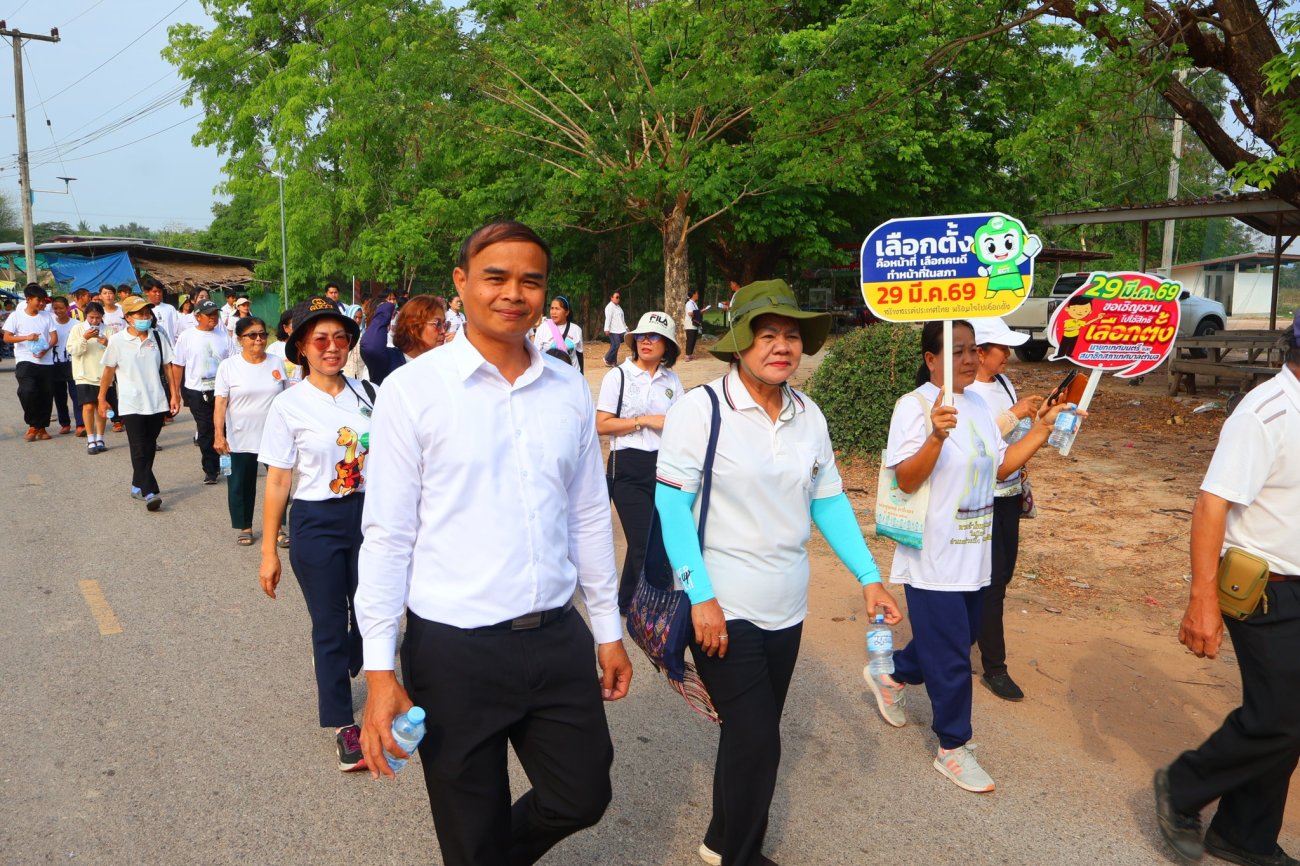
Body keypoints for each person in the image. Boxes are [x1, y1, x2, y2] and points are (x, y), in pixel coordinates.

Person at [355, 222, 632, 865]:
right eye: (495, 277)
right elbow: (388, 535)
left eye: (531, 281)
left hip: (555, 636)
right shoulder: (413, 390)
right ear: (461, 283)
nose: (514, 293)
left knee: (581, 794)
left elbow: (589, 514)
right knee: (470, 831)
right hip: (455, 651)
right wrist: (379, 671)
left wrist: (608, 630)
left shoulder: (567, 385)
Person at [655, 279, 900, 866]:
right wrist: (700, 596)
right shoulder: (700, 410)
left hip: (787, 606)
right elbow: (671, 508)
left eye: (791, 335)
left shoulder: (808, 415)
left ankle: (720, 840)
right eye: (767, 334)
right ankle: (741, 856)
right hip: (723, 607)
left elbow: (828, 501)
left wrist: (869, 576)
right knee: (759, 740)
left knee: (747, 734)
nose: (782, 346)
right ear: (740, 342)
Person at [870, 319, 1072, 794]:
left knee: (956, 642)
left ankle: (892, 674)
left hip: (975, 551)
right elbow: (905, 481)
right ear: (931, 359)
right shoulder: (914, 406)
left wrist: (1042, 431)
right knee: (953, 659)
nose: (968, 359)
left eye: (973, 350)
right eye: (956, 350)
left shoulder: (979, 404)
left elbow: (1000, 467)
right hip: (933, 555)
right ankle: (953, 746)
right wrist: (935, 437)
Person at [1154, 312, 1300, 866]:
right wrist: (1202, 599)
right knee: (1277, 717)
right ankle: (1182, 786)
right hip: (1265, 588)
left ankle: (1243, 835)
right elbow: (1212, 503)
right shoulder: (1266, 413)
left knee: (1289, 720)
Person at [257, 296, 374, 772]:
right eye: (320, 339)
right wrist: (269, 551)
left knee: (371, 614)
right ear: (302, 347)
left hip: (370, 518)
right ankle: (344, 724)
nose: (332, 347)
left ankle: (352, 654)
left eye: (340, 338)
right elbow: (278, 481)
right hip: (315, 521)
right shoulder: (288, 405)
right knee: (329, 626)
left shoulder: (370, 393)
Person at [964, 317, 1045, 702]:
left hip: (1009, 493)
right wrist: (1014, 413)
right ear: (980, 353)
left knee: (1001, 575)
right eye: (1001, 348)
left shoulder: (1003, 384)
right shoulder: (964, 392)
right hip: (981, 498)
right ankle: (994, 667)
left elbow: (1013, 442)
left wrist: (1042, 422)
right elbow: (971, 440)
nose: (1008, 355)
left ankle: (965, 635)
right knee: (992, 582)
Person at [596, 310, 683, 613]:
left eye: (654, 336)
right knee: (642, 541)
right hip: (626, 467)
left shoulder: (671, 380)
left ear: (667, 345)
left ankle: (628, 601)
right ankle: (646, 605)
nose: (646, 341)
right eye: (642, 336)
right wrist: (643, 421)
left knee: (656, 539)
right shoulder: (617, 376)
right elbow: (602, 424)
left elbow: (681, 423)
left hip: (663, 465)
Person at [98, 296, 178, 511]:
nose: (145, 317)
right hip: (131, 403)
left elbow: (168, 367)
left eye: (147, 313)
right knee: (139, 447)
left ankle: (137, 484)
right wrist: (102, 398)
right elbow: (108, 371)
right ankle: (149, 491)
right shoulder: (117, 341)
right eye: (140, 314)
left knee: (149, 446)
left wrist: (174, 395)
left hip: (156, 401)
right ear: (128, 317)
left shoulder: (157, 337)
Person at [214, 316, 287, 546]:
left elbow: (286, 398)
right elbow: (221, 402)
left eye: (262, 334)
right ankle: (245, 526)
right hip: (240, 436)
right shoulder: (228, 366)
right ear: (240, 339)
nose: (258, 339)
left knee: (279, 483)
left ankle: (278, 527)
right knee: (241, 484)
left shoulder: (276, 362)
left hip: (273, 436)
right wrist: (218, 434)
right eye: (252, 335)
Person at [171, 299, 235, 484]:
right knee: (205, 429)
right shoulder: (187, 336)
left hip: (221, 391)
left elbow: (233, 363)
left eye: (215, 314)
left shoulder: (224, 336)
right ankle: (210, 469)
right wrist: (175, 393)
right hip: (197, 391)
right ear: (197, 316)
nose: (213, 317)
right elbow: (178, 365)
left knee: (225, 427)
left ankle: (226, 464)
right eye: (209, 315)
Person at [3, 284, 58, 441]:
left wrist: (45, 350)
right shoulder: (16, 316)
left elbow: (54, 337)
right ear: (28, 299)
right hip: (25, 360)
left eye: (43, 301)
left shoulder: (47, 316)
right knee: (27, 391)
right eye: (38, 300)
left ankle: (42, 428)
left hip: (46, 361)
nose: (41, 303)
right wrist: (26, 337)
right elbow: (7, 337)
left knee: (46, 394)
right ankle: (33, 425)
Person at [67, 301, 114, 454]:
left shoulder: (109, 330)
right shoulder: (77, 329)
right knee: (88, 406)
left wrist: (107, 343)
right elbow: (72, 350)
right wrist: (84, 338)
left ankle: (100, 438)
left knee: (102, 407)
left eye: (98, 317)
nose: (94, 321)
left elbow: (116, 352)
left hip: (104, 375)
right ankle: (90, 439)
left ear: (102, 317)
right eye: (91, 317)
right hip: (83, 374)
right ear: (86, 315)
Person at [387, 294, 446, 372]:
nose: (443, 331)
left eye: (444, 324)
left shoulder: (442, 364)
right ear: (413, 326)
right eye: (437, 324)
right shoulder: (389, 363)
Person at [49, 296, 81, 435]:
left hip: (73, 363)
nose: (58, 311)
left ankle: (80, 424)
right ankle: (65, 423)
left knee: (76, 394)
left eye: (61, 308)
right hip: (55, 364)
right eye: (55, 308)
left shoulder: (76, 324)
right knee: (59, 396)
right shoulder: (50, 324)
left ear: (68, 308)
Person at [532, 294, 584, 371]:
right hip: (550, 374)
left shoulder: (576, 330)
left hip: (572, 374)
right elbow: (536, 355)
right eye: (552, 308)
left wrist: (581, 374)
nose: (553, 312)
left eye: (557, 309)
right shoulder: (542, 329)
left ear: (566, 312)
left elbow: (579, 354)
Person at [359, 299, 399, 384]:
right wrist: (386, 309)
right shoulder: (372, 339)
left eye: (394, 315)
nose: (393, 319)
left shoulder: (394, 341)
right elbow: (372, 347)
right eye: (391, 315)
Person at [340, 304, 368, 380]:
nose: (358, 320)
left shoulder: (364, 334)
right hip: (346, 373)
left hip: (361, 374)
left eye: (360, 318)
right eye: (355, 317)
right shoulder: (342, 334)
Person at [603, 290, 627, 367]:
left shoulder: (618, 307)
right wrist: (606, 329)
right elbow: (608, 318)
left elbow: (622, 319)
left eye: (619, 297)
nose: (618, 299)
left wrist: (626, 327)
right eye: (616, 297)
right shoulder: (609, 307)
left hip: (619, 329)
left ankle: (613, 362)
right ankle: (607, 358)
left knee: (615, 345)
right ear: (611, 298)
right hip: (613, 330)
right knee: (616, 344)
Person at [684, 287, 702, 360]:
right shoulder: (689, 303)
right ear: (693, 294)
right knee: (690, 339)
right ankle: (687, 355)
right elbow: (690, 313)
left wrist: (701, 312)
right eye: (697, 293)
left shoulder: (694, 303)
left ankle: (690, 354)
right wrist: (699, 312)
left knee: (694, 339)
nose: (698, 295)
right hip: (690, 324)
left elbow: (695, 312)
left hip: (695, 323)